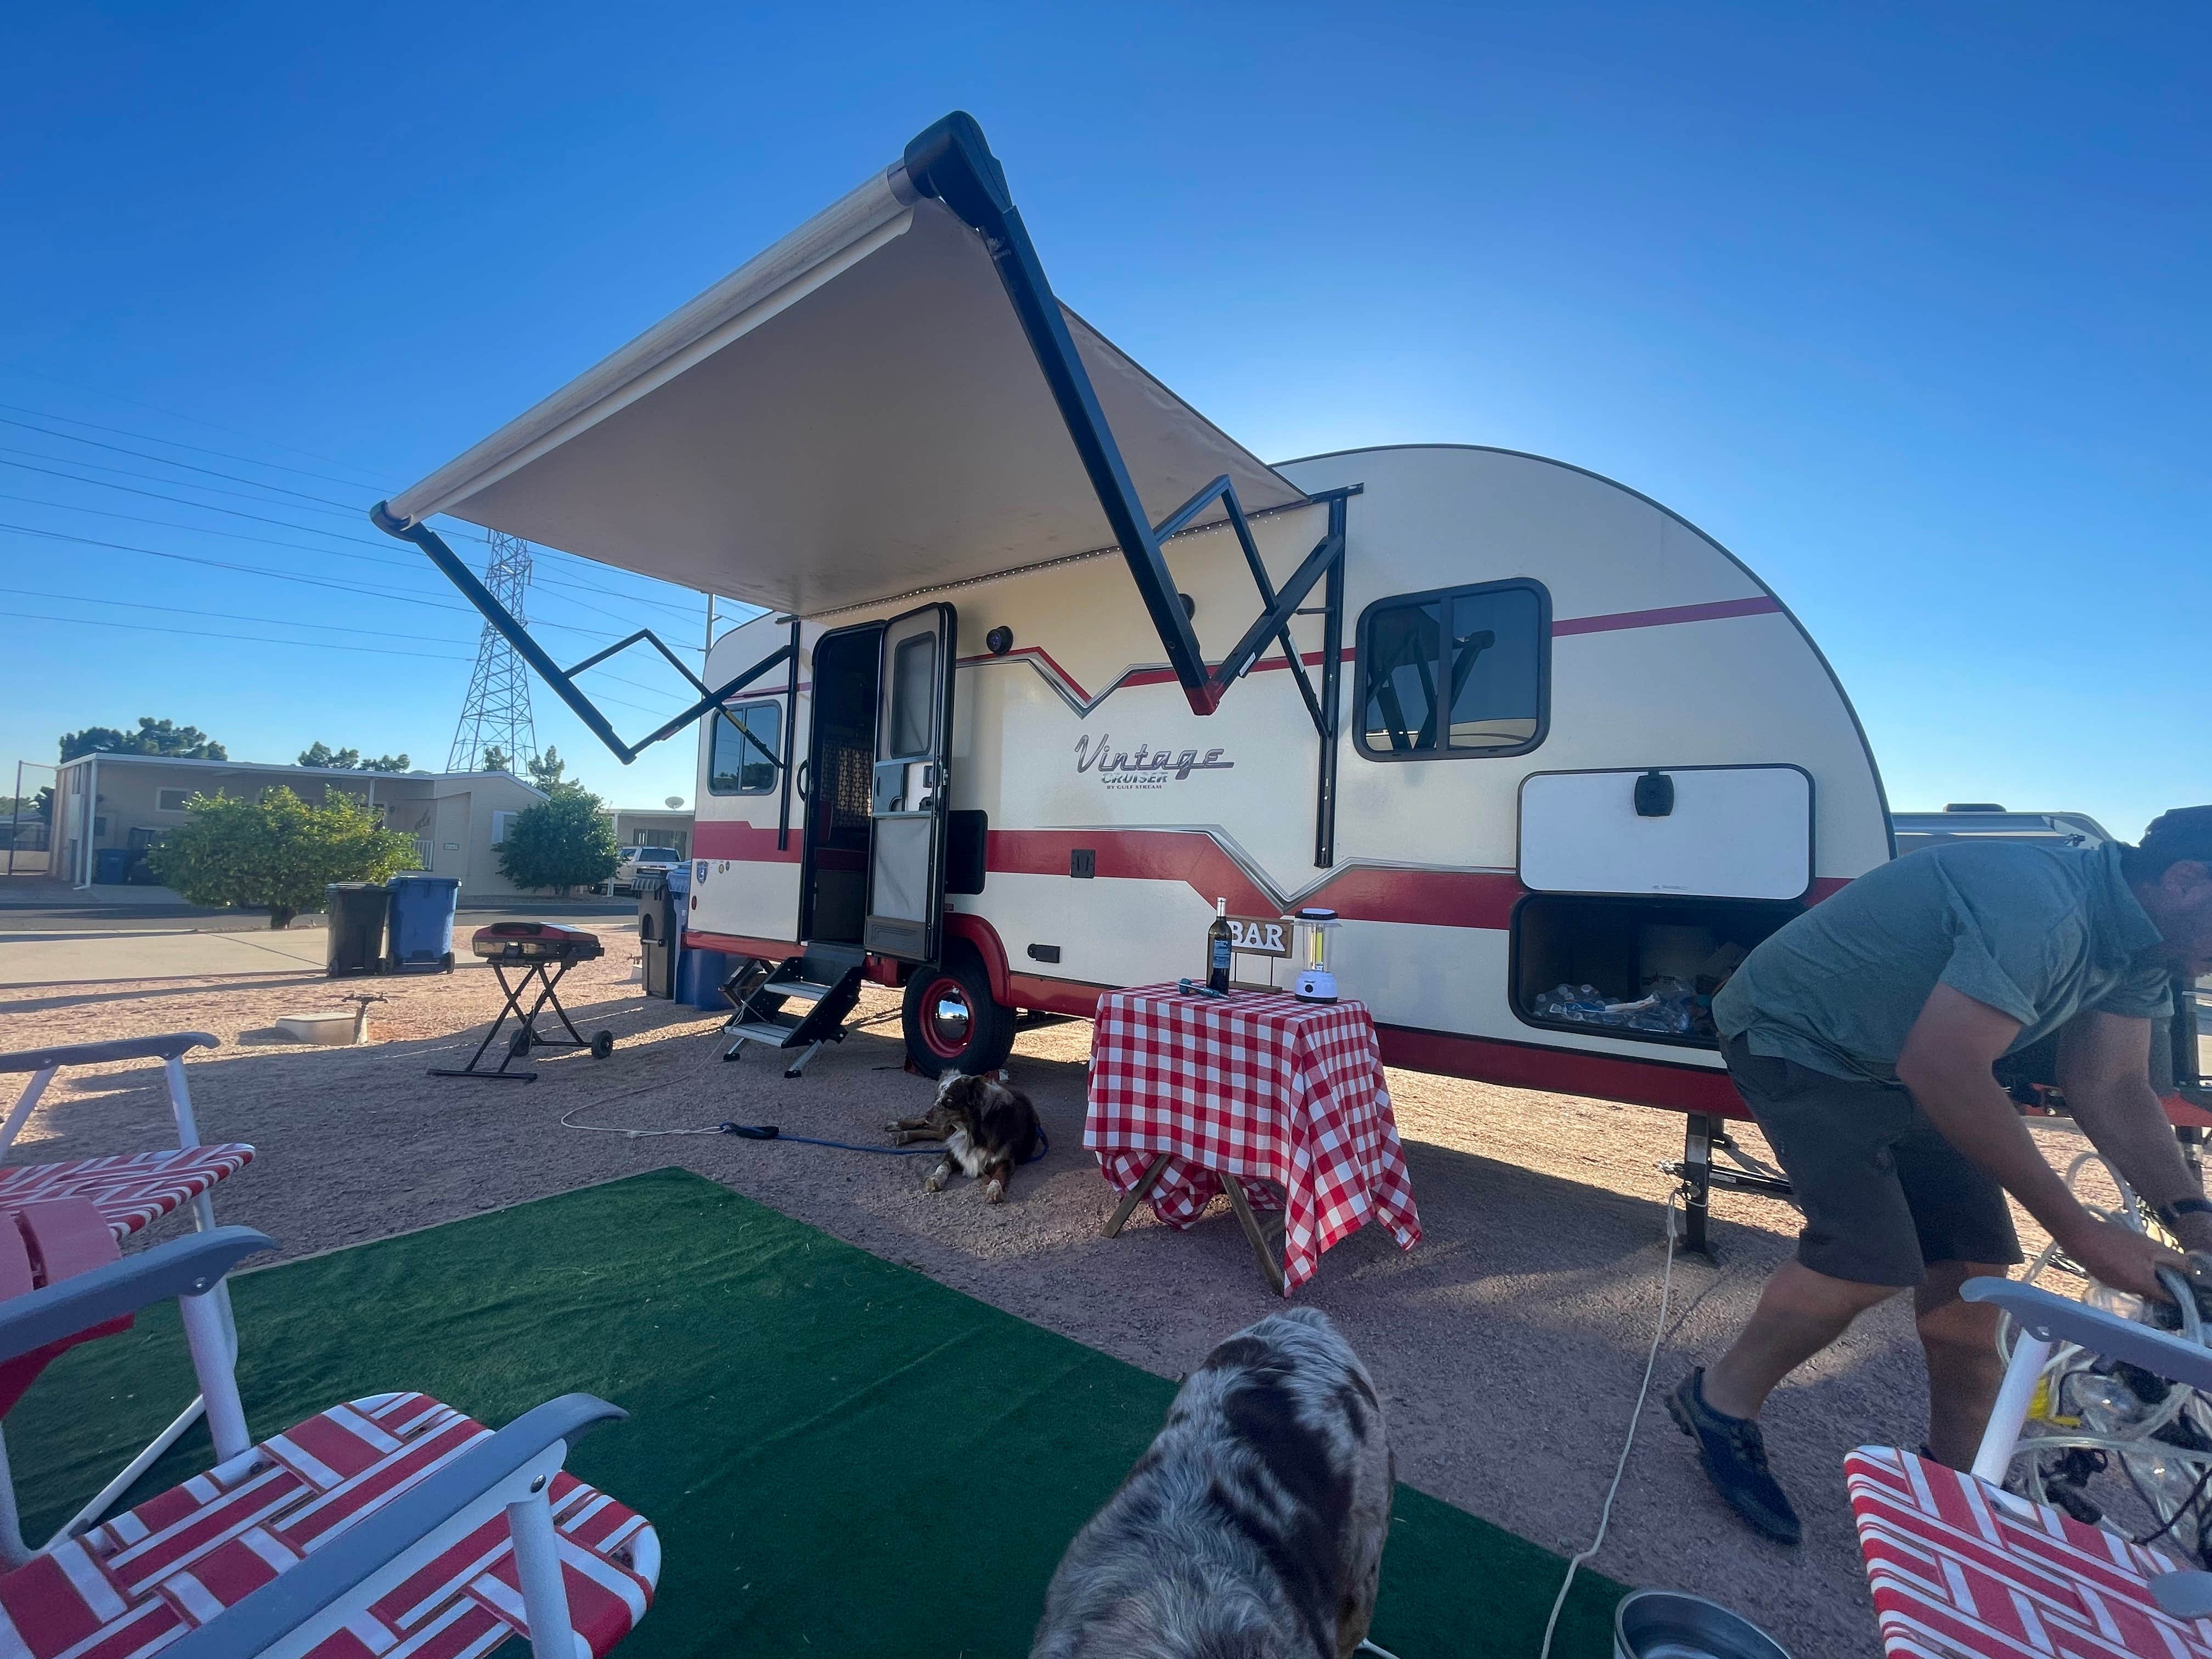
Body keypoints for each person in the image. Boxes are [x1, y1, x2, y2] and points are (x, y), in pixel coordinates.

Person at [1669, 806, 2212, 1545]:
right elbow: (1943, 1066)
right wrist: (2080, 1234)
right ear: (2186, 880)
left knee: (1975, 1284)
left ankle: (1961, 1495)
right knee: (1866, 1259)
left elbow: (2113, 1084)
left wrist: (2192, 1215)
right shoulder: (2047, 908)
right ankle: (1719, 1402)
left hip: (1904, 1062)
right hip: (1799, 1035)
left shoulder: (2142, 944)